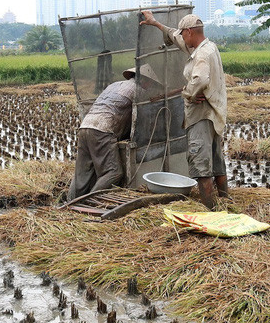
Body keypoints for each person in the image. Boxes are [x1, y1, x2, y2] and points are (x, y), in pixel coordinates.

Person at [139, 11, 227, 208]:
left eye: (183, 34)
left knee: (201, 165)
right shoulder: (207, 47)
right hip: (213, 115)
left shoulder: (202, 54)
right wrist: (156, 24)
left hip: (201, 115)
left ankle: (210, 210)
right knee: (216, 161)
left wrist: (189, 94)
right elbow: (175, 37)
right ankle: (225, 202)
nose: (182, 38)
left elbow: (200, 79)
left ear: (190, 32)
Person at [67, 65, 157, 201]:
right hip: (103, 129)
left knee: (82, 174)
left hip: (86, 126)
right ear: (145, 80)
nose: (150, 87)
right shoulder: (138, 90)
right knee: (113, 172)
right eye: (150, 83)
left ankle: (70, 202)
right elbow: (146, 114)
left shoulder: (114, 85)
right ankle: (89, 202)